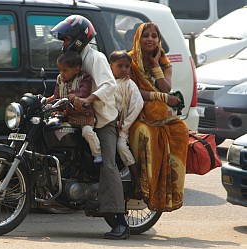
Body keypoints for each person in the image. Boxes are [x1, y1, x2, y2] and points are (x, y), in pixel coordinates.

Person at [51, 15, 129, 239]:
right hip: (80, 116)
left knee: (108, 165)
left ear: (77, 38)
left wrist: (89, 99)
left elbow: (109, 84)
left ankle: (121, 222)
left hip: (103, 120)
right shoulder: (73, 58)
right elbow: (63, 82)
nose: (63, 43)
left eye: (65, 38)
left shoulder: (95, 57)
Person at [128, 22, 189, 212]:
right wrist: (160, 97)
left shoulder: (163, 62)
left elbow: (166, 87)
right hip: (136, 113)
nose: (150, 39)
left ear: (158, 40)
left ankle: (170, 188)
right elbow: (134, 91)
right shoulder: (130, 61)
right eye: (146, 35)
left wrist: (155, 66)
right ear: (139, 38)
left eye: (154, 36)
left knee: (181, 131)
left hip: (160, 115)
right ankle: (145, 186)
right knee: (148, 134)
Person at [48, 50, 102, 164]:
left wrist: (72, 97)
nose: (61, 73)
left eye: (65, 70)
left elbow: (82, 93)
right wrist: (47, 102)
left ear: (76, 70)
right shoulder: (59, 79)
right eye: (60, 70)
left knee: (87, 132)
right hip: (68, 116)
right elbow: (57, 96)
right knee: (55, 131)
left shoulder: (84, 78)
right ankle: (67, 158)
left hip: (82, 115)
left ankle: (97, 154)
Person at [109, 50, 143, 198]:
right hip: (107, 124)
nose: (123, 69)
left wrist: (123, 126)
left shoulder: (130, 85)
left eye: (127, 66)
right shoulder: (107, 83)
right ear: (110, 66)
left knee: (121, 147)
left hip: (122, 126)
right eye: (119, 66)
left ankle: (136, 180)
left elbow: (136, 107)